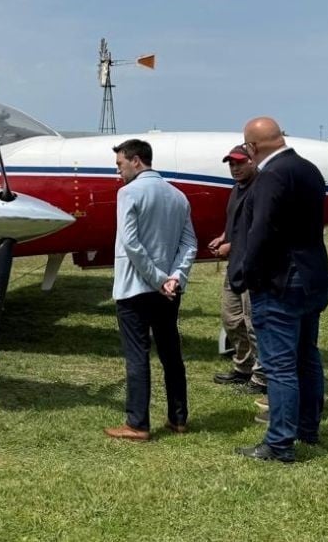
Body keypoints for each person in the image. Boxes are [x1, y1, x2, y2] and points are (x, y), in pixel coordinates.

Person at [231, 118, 328, 463]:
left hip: (280, 282)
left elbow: (262, 232)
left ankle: (279, 442)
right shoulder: (309, 170)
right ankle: (307, 427)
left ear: (253, 148)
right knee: (307, 356)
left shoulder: (271, 176)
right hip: (313, 276)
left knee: (280, 366)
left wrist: (246, 274)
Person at [104, 138, 198, 442]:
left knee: (137, 355)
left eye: (119, 164)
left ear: (135, 161)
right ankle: (178, 418)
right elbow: (189, 244)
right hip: (169, 290)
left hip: (135, 287)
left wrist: (157, 278)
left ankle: (138, 423)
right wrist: (175, 277)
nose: (117, 171)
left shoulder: (128, 193)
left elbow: (131, 243)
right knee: (171, 352)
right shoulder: (179, 197)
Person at [207, 145, 266, 395]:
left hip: (254, 267)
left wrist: (231, 245)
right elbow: (235, 224)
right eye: (231, 164)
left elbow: (260, 229)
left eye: (240, 163)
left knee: (255, 323)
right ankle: (243, 367)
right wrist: (224, 236)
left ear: (253, 161)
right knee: (231, 319)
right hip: (236, 266)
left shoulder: (261, 189)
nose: (235, 168)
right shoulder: (237, 189)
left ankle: (263, 377)